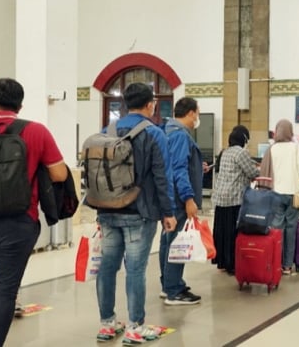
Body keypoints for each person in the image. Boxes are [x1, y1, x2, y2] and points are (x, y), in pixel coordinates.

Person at [94, 83, 177, 344]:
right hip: (140, 212)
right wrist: (168, 212)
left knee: (107, 268)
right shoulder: (154, 133)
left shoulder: (106, 131)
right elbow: (162, 177)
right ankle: (135, 327)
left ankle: (107, 324)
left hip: (107, 209)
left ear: (126, 103)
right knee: (136, 270)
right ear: (151, 104)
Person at [0, 78, 68, 347]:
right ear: (20, 105)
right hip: (18, 222)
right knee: (3, 291)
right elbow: (59, 173)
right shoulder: (36, 131)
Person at [160, 97, 206, 305]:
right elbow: (179, 169)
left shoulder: (167, 131)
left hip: (168, 195)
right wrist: (189, 198)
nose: (198, 117)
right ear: (190, 113)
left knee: (168, 240)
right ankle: (174, 290)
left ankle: (168, 284)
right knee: (177, 242)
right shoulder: (179, 135)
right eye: (197, 112)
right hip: (179, 198)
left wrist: (198, 166)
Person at [263, 119, 299, 275]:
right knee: (291, 229)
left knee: (277, 229)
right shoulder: (297, 148)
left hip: (275, 193)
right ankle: (287, 266)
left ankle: (275, 261)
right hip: (293, 194)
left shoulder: (271, 149)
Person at [212, 125, 259, 275]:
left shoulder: (225, 152)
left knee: (221, 231)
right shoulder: (241, 153)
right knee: (233, 232)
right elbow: (251, 172)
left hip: (220, 198)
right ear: (244, 139)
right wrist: (259, 169)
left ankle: (222, 261)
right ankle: (232, 262)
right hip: (234, 199)